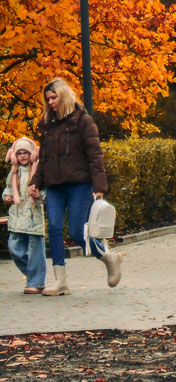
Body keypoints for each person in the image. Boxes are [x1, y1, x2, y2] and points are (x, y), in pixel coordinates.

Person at [29, 78, 122, 295]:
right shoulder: (48, 124)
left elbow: (95, 155)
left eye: (54, 97)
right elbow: (44, 159)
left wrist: (99, 187)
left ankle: (108, 258)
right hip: (54, 186)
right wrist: (35, 182)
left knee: (77, 232)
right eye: (48, 99)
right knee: (54, 229)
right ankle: (60, 282)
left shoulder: (83, 121)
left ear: (64, 96)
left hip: (79, 185)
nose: (50, 102)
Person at [3, 137, 46, 294]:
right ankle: (34, 274)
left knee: (35, 251)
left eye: (25, 153)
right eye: (19, 153)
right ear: (14, 155)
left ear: (32, 154)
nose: (22, 156)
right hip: (17, 217)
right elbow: (8, 188)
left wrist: (38, 195)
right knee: (14, 247)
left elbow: (45, 192)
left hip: (33, 217)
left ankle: (36, 282)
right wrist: (7, 196)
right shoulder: (13, 173)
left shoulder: (39, 172)